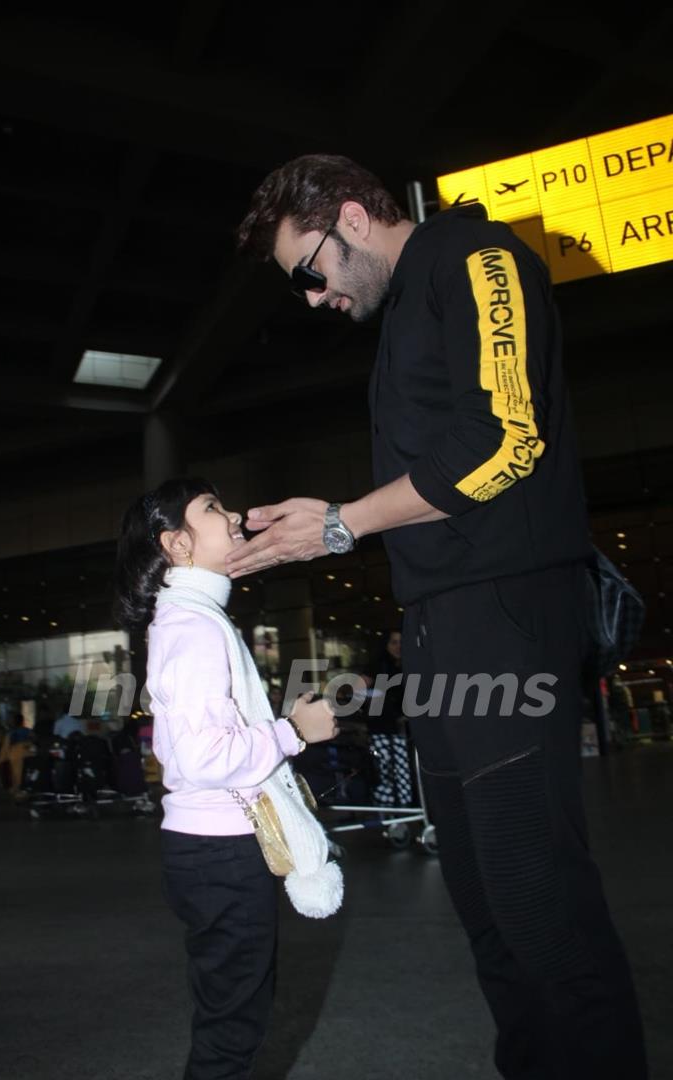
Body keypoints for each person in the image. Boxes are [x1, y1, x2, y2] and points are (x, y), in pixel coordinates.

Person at [228, 155, 648, 1080]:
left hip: (505, 618)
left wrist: (340, 525)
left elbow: (508, 439)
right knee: (488, 909)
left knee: (538, 902)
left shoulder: (475, 257)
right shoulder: (406, 313)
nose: (312, 297)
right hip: (444, 633)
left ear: (350, 215)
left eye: (311, 270)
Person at [113, 476, 342, 1080]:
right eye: (212, 509)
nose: (234, 514)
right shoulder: (191, 627)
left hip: (215, 848)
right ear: (177, 545)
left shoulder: (193, 617)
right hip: (220, 852)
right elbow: (202, 756)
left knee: (234, 1016)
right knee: (233, 1028)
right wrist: (294, 730)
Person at [363, 629, 413, 807]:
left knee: (403, 770)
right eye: (394, 642)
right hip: (381, 728)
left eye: (401, 642)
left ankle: (403, 811)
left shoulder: (410, 664)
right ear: (386, 645)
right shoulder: (377, 666)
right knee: (385, 770)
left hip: (405, 730)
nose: (398, 646)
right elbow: (359, 691)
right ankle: (390, 814)